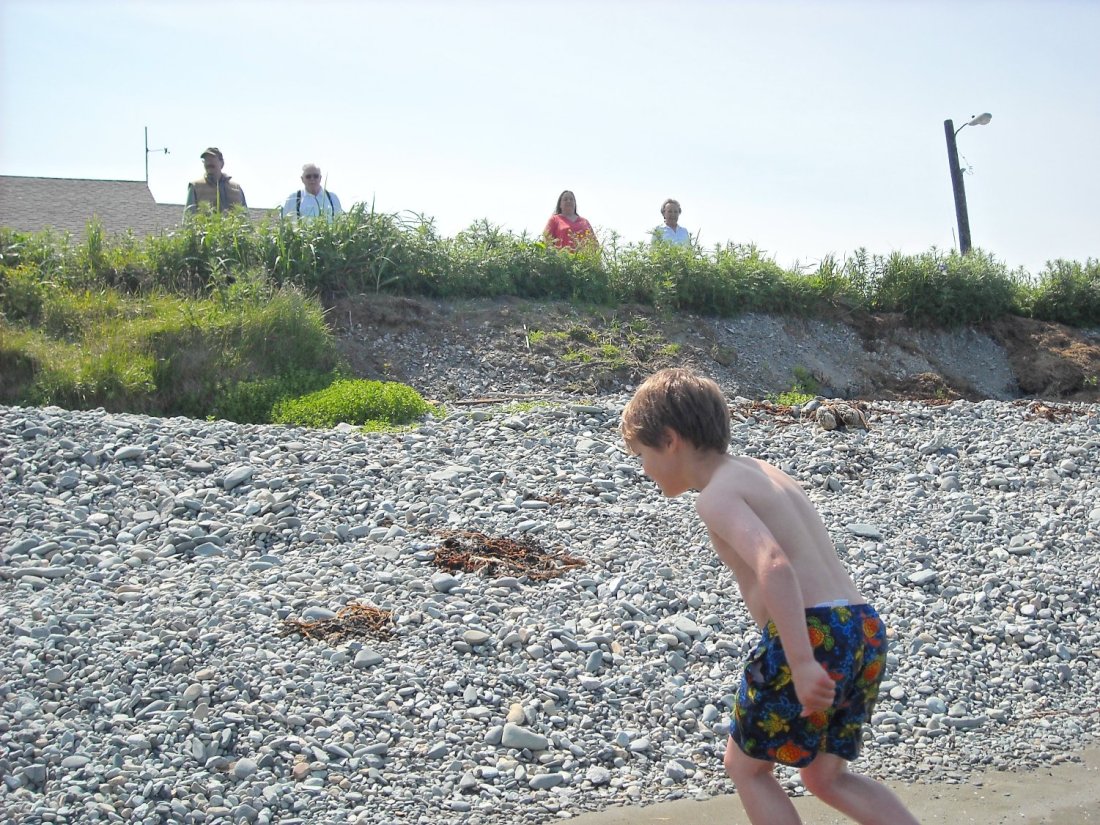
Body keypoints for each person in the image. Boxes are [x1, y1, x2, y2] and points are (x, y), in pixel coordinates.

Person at [621, 368, 919, 825]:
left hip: (810, 633)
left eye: (640, 454)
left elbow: (774, 564)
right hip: (861, 627)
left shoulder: (715, 496)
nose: (641, 468)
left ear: (670, 440)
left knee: (746, 769)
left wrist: (800, 661)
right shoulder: (761, 472)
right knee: (825, 778)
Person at [184, 147, 247, 216]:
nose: (208, 162)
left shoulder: (236, 188)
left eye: (212, 158)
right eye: (206, 160)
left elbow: (245, 218)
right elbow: (188, 218)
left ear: (221, 163)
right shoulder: (195, 187)